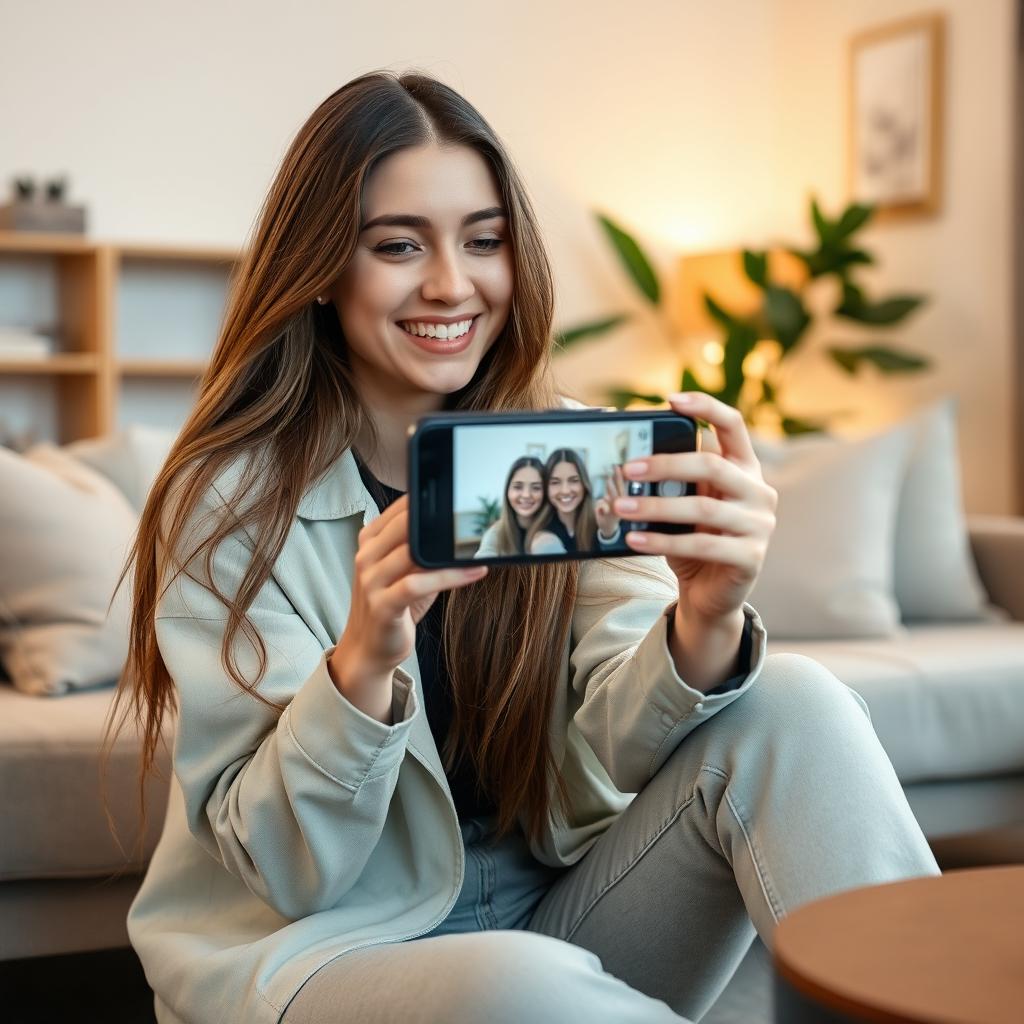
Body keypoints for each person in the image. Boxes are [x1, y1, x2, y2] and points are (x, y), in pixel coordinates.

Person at [107, 70, 939, 1024]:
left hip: (551, 915)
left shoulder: (566, 456)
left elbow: (605, 763)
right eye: (398, 245)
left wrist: (703, 616)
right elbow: (288, 870)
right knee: (516, 987)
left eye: (484, 241)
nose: (452, 284)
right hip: (319, 953)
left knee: (800, 701)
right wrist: (362, 665)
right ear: (324, 267)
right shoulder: (229, 502)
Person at [528, 447, 625, 554]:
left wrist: (609, 531)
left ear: (584, 484)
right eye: (555, 482)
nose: (565, 490)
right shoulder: (543, 532)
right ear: (546, 487)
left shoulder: (603, 517)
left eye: (574, 480)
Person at [473, 456, 546, 557]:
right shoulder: (495, 534)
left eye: (536, 488)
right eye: (518, 487)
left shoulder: (554, 530)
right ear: (508, 491)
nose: (526, 495)